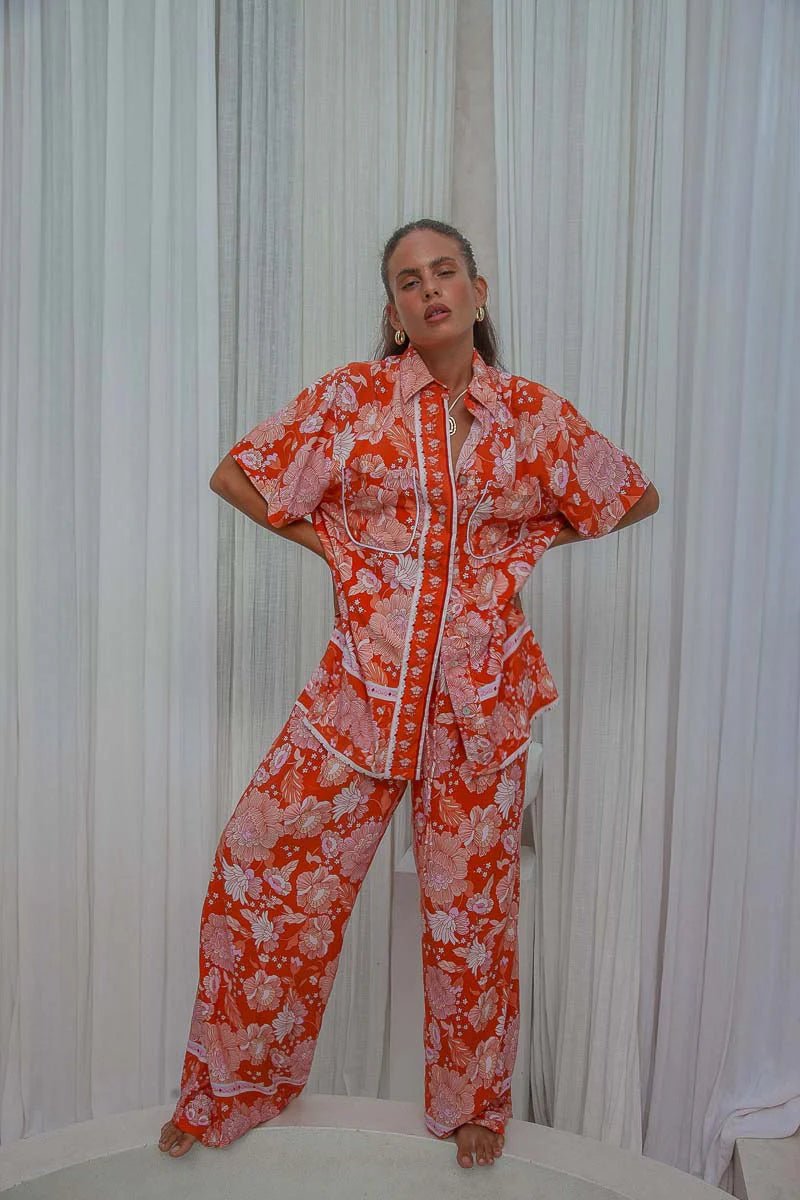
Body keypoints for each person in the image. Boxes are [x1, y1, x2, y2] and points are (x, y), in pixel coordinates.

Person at [158, 218, 659, 1170]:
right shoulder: (353, 400)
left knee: (472, 916)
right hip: (361, 693)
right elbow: (240, 475)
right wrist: (339, 552)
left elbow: (632, 495)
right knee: (261, 863)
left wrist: (520, 545)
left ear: (478, 290)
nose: (429, 290)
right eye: (408, 281)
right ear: (394, 312)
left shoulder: (530, 416)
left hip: (480, 704)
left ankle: (473, 1107)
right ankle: (230, 1086)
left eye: (444, 272)